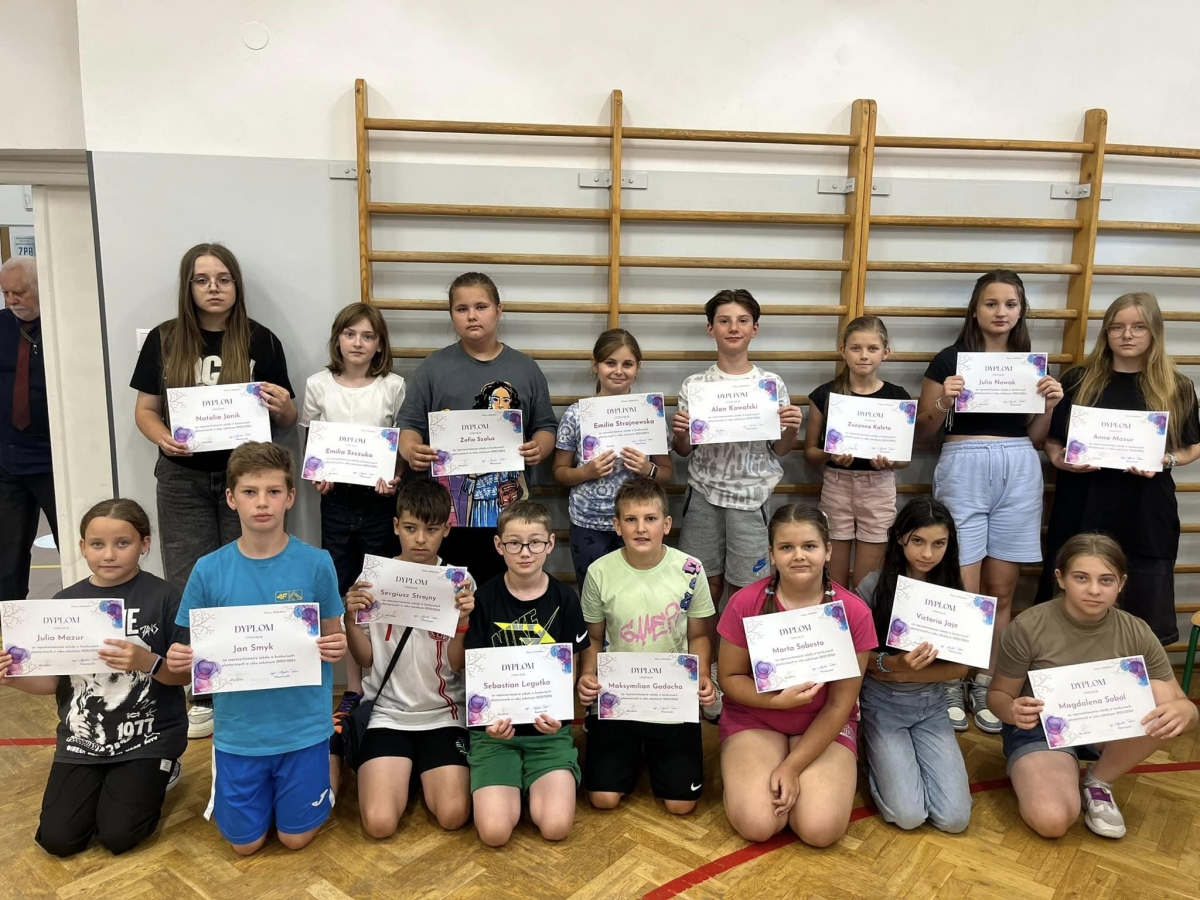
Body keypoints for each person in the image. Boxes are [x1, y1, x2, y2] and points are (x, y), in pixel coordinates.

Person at [130, 243, 297, 739]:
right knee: (190, 581)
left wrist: (283, 405)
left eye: (223, 279)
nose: (214, 288)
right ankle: (202, 690)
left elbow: (288, 419)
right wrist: (162, 437)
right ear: (188, 287)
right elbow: (145, 410)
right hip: (182, 479)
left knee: (251, 576)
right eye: (202, 280)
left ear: (236, 285)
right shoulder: (164, 338)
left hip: (246, 479)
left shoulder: (261, 339)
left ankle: (254, 673)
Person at [165, 442, 347, 855]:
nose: (262, 502)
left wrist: (335, 646)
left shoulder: (317, 563)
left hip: (302, 726)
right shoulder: (208, 570)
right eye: (250, 492)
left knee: (295, 839)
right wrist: (180, 659)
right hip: (240, 732)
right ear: (231, 498)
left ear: (290, 497)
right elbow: (188, 653)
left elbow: (333, 638)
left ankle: (331, 760)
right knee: (245, 845)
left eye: (273, 491)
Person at [915, 269, 1063, 734]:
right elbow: (922, 432)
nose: (1001, 312)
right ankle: (946, 678)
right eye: (991, 303)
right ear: (975, 309)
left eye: (1010, 304)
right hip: (964, 464)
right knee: (959, 588)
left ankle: (986, 680)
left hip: (1018, 466)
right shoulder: (949, 360)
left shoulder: (1029, 365)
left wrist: (1050, 405)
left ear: (1021, 311)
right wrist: (945, 401)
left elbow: (1036, 438)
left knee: (1000, 590)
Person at [0, 499, 189, 857]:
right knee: (59, 840)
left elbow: (184, 678)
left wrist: (148, 662)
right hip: (81, 741)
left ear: (145, 544)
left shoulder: (165, 597)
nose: (109, 554)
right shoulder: (63, 603)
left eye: (123, 543)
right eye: (97, 544)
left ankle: (165, 769)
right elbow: (55, 684)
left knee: (119, 835)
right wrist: (13, 679)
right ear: (82, 547)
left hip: (148, 738)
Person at [988, 533, 1198, 839]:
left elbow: (1180, 704)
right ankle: (1051, 770)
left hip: (1106, 727)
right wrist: (1012, 710)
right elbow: (997, 696)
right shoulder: (1028, 627)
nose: (1094, 590)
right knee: (1052, 820)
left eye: (1106, 580)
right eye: (1081, 578)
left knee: (1163, 704)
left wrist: (1184, 712)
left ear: (1121, 583)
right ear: (1060, 578)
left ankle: (1098, 781)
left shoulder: (1136, 631)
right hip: (1041, 729)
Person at [1039, 292, 1200, 645]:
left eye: (1138, 327)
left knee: (1140, 624)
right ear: (1106, 332)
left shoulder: (1177, 386)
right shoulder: (1078, 380)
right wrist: (1059, 459)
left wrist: (1166, 461)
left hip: (1146, 517)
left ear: (1154, 331)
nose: (1127, 335)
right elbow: (1052, 440)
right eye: (1117, 327)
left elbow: (1191, 447)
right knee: (1068, 620)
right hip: (1082, 509)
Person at [672, 288, 803, 717]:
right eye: (724, 320)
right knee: (704, 587)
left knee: (747, 591)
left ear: (755, 329)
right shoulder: (695, 386)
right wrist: (680, 432)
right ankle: (705, 675)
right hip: (703, 496)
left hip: (752, 500)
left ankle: (737, 675)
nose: (733, 327)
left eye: (742, 320)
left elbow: (781, 449)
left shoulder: (770, 385)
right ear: (710, 329)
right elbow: (684, 451)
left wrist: (791, 427)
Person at [716, 505, 875, 846]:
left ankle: (794, 770)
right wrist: (776, 701)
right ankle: (743, 779)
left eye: (809, 546)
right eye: (786, 547)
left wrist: (791, 767)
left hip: (823, 721)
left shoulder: (854, 613)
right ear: (772, 554)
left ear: (828, 551)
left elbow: (839, 705)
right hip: (756, 716)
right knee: (757, 824)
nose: (798, 556)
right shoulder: (745, 602)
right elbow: (729, 678)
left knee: (820, 830)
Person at [397, 273, 557, 586]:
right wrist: (411, 449)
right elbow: (409, 425)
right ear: (451, 315)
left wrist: (540, 446)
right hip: (446, 513)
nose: (472, 315)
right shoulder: (433, 368)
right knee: (451, 594)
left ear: (498, 310)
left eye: (481, 307)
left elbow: (545, 425)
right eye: (462, 309)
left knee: (502, 590)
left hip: (509, 511)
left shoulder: (525, 368)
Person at [337, 479, 473, 838]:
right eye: (411, 528)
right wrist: (350, 618)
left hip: (444, 713)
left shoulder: (460, 584)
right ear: (396, 526)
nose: (420, 539)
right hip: (387, 713)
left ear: (447, 529)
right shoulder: (372, 580)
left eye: (432, 530)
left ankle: (418, 770)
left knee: (454, 814)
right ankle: (405, 771)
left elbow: (457, 665)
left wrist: (462, 623)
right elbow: (366, 658)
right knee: (379, 824)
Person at [451, 500, 589, 847]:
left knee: (556, 827)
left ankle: (534, 785)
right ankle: (512, 787)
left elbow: (570, 669)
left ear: (550, 543)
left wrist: (561, 715)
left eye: (535, 543)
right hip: (495, 736)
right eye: (514, 543)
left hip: (548, 735)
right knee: (494, 833)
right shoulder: (484, 599)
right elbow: (472, 668)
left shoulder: (566, 599)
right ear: (499, 545)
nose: (525, 552)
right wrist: (488, 721)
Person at [577, 477, 717, 815]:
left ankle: (650, 751)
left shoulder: (690, 569)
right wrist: (587, 675)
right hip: (618, 696)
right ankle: (618, 741)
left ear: (666, 524)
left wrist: (702, 676)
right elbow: (593, 638)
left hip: (671, 695)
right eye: (631, 519)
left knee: (681, 804)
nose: (641, 528)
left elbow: (699, 635)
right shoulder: (599, 572)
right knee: (603, 799)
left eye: (650, 519)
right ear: (617, 526)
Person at [301, 302, 406, 728]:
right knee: (342, 590)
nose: (358, 343)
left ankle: (383, 681)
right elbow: (311, 441)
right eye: (350, 334)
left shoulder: (393, 386)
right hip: (337, 500)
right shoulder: (318, 384)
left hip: (380, 501)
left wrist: (396, 475)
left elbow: (402, 445)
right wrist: (317, 474)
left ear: (379, 344)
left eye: (367, 336)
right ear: (337, 339)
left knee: (379, 588)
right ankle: (352, 687)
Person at [854, 499, 972, 833]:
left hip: (931, 705)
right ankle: (873, 753)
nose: (927, 553)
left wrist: (906, 671)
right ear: (900, 538)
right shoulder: (873, 586)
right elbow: (857, 658)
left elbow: (960, 669)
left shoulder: (954, 592)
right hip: (882, 702)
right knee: (908, 815)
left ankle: (895, 761)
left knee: (954, 819)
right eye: (918, 541)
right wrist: (893, 663)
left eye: (939, 543)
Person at [553, 328, 672, 586]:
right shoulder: (576, 414)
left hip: (639, 522)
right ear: (595, 365)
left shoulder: (651, 413)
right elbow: (559, 472)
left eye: (627, 364)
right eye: (610, 363)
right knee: (593, 592)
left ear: (638, 368)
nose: (618, 371)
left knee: (637, 592)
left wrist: (648, 469)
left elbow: (666, 472)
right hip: (589, 522)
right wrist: (586, 472)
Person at [803, 315, 911, 586]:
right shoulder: (825, 394)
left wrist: (890, 461)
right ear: (843, 351)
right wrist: (830, 455)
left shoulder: (898, 398)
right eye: (856, 348)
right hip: (837, 486)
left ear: (886, 352)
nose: (864, 355)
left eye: (872, 348)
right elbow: (810, 452)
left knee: (867, 582)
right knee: (833, 581)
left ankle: (862, 616)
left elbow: (904, 459)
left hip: (879, 487)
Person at [0, 256, 56, 602]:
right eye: (6, 293)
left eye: (18, 292)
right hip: (7, 463)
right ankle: (8, 625)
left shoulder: (63, 325)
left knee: (79, 547)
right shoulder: (2, 326)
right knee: (7, 559)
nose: (11, 301)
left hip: (55, 462)